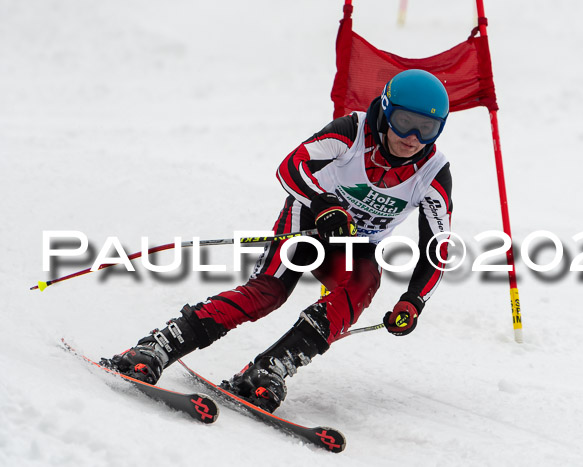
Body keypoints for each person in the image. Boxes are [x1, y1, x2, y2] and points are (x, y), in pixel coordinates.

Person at [103, 69, 454, 413]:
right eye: (405, 121)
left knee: (362, 285)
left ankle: (269, 369)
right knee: (268, 293)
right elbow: (291, 166)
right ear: (387, 110)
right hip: (308, 223)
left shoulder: (433, 171)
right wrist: (322, 203)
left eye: (427, 129)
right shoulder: (353, 131)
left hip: (355, 243)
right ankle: (158, 346)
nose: (412, 137)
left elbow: (437, 246)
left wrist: (413, 301)